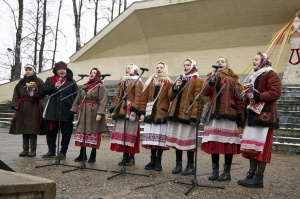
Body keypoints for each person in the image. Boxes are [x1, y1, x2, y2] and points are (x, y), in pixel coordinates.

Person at [237, 52, 282, 188]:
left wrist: (257, 96)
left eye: (256, 59)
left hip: (265, 117)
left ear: (263, 60)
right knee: (251, 147)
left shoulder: (270, 73)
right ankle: (251, 174)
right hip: (252, 114)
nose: (253, 61)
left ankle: (258, 178)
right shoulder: (254, 75)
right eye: (253, 59)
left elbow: (275, 92)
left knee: (261, 147)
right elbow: (252, 94)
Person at [200, 56, 244, 181]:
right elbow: (204, 92)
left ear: (227, 64)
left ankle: (226, 172)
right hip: (214, 113)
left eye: (222, 62)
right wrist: (212, 81)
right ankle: (214, 171)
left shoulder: (234, 79)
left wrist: (240, 115)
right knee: (214, 142)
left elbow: (239, 98)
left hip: (228, 114)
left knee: (227, 142)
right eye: (218, 62)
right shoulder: (211, 76)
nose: (220, 63)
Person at [166, 58, 205, 175]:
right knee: (178, 141)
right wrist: (175, 87)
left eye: (188, 65)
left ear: (193, 66)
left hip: (187, 115)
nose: (185, 67)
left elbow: (199, 100)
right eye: (184, 65)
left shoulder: (198, 81)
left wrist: (195, 116)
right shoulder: (180, 79)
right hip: (177, 114)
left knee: (188, 142)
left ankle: (190, 165)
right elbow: (170, 97)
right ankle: (178, 164)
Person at [139, 61, 173, 171]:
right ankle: (152, 160)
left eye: (161, 68)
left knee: (159, 140)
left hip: (161, 114)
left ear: (165, 69)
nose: (159, 69)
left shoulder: (168, 82)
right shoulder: (150, 82)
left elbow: (171, 98)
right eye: (157, 67)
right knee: (152, 140)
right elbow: (144, 97)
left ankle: (159, 162)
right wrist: (142, 113)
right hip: (150, 113)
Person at [42, 61, 78, 159]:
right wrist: (54, 86)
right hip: (51, 111)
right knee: (50, 133)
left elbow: (76, 97)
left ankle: (63, 152)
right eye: (60, 69)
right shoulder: (50, 80)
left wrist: (75, 109)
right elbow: (44, 90)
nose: (62, 71)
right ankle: (51, 150)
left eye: (64, 69)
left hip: (66, 111)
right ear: (56, 70)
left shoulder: (72, 81)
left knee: (66, 133)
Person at [70, 68, 108, 163]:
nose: (92, 74)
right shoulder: (84, 86)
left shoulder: (101, 86)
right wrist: (74, 109)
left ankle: (93, 155)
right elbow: (78, 99)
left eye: (94, 73)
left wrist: (100, 113)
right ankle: (82, 154)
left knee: (93, 131)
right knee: (82, 132)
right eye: (91, 72)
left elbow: (103, 101)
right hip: (83, 112)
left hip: (94, 111)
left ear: (98, 75)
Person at [110, 64, 143, 166]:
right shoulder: (123, 81)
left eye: (128, 68)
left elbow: (138, 96)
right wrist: (114, 107)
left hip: (131, 110)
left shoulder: (137, 82)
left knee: (131, 134)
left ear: (134, 69)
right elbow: (118, 96)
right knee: (123, 134)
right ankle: (125, 157)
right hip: (121, 110)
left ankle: (131, 158)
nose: (126, 69)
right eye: (126, 68)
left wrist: (134, 109)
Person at [9, 64, 45, 157]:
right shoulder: (21, 82)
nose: (28, 71)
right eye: (26, 70)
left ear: (33, 71)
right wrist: (15, 104)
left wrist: (35, 94)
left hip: (34, 107)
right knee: (24, 128)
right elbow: (16, 94)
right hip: (23, 107)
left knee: (32, 129)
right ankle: (25, 149)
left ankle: (33, 149)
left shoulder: (38, 81)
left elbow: (43, 93)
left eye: (30, 70)